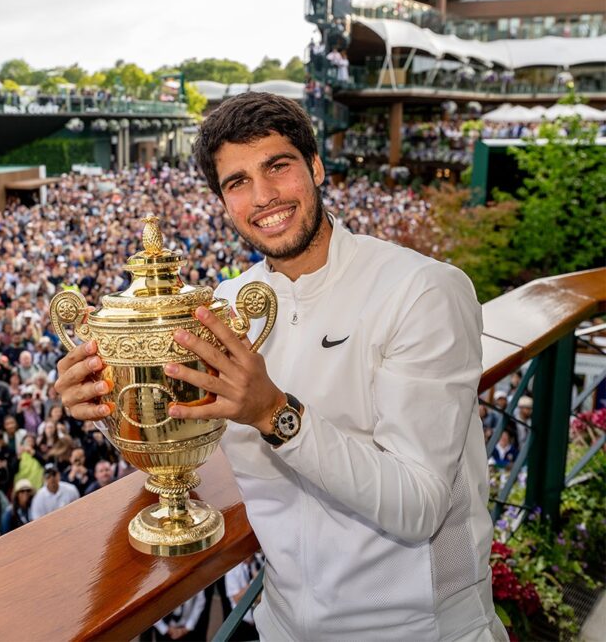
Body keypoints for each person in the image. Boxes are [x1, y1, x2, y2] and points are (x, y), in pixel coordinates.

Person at [56, 92, 504, 640]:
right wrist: (107, 403)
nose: (263, 196)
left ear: (316, 167)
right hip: (283, 623)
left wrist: (274, 412)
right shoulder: (226, 304)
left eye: (278, 166)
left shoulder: (422, 290)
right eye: (237, 182)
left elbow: (420, 507)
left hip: (420, 628)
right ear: (224, 203)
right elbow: (182, 439)